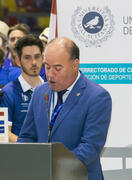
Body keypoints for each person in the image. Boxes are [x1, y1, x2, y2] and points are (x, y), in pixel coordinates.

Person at [18, 37, 112, 180]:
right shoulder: (39, 92)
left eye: (57, 68)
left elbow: (90, 147)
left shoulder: (97, 97)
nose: (50, 74)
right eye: (47, 67)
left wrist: (52, 167)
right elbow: (27, 137)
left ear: (75, 65)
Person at [0, 35, 44, 142]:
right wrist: (29, 146)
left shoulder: (52, 88)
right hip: (21, 154)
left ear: (43, 58)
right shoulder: (7, 93)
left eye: (37, 56)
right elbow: (4, 132)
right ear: (18, 61)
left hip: (50, 153)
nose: (34, 62)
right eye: (27, 57)